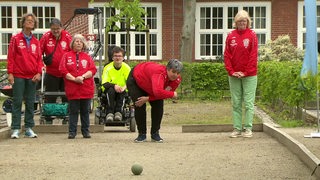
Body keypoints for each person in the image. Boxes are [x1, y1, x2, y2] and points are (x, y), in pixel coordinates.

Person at [126, 59, 183, 143]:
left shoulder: (177, 80)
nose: (175, 75)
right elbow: (159, 92)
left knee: (158, 105)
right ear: (167, 69)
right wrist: (172, 94)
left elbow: (161, 94)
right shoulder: (159, 74)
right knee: (139, 104)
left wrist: (148, 98)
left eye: (178, 73)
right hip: (137, 79)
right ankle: (142, 134)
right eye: (173, 72)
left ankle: (155, 133)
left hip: (151, 85)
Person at [7, 13, 43, 139]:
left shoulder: (36, 42)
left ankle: (29, 128)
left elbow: (39, 59)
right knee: (17, 101)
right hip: (18, 75)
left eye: (32, 21)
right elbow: (10, 57)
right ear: (23, 23)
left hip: (32, 76)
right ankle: (16, 128)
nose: (30, 23)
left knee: (30, 102)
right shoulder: (15, 39)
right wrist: (10, 73)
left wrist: (39, 72)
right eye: (28, 21)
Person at [223, 10, 258, 138]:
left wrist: (246, 72)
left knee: (248, 103)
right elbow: (227, 55)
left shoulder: (252, 35)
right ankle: (237, 128)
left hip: (250, 75)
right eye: (239, 21)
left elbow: (253, 56)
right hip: (234, 76)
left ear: (247, 22)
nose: (242, 23)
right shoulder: (230, 36)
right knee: (236, 102)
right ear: (236, 23)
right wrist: (231, 71)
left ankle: (248, 128)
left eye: (244, 21)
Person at [59, 34, 97, 139]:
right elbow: (63, 70)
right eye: (76, 41)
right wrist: (74, 79)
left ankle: (86, 131)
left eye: (80, 41)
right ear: (72, 43)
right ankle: (72, 132)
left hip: (86, 89)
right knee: (73, 111)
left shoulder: (87, 57)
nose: (78, 43)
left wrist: (83, 77)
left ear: (83, 44)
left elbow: (92, 70)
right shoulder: (66, 56)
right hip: (72, 89)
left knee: (85, 111)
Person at [40, 18, 72, 124]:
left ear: (61, 28)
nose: (56, 31)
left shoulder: (67, 37)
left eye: (57, 29)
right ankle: (49, 118)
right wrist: (41, 65)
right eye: (53, 29)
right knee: (50, 96)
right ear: (50, 29)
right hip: (51, 73)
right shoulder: (45, 37)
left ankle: (66, 117)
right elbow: (38, 53)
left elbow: (73, 52)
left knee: (66, 96)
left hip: (65, 73)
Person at [101, 46, 131, 121]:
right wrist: (114, 86)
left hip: (122, 88)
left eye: (120, 56)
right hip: (110, 88)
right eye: (115, 56)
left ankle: (119, 112)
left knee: (122, 92)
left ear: (123, 58)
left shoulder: (127, 68)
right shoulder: (107, 68)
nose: (117, 58)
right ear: (112, 58)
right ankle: (110, 113)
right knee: (111, 91)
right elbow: (105, 83)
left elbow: (130, 82)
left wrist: (124, 87)